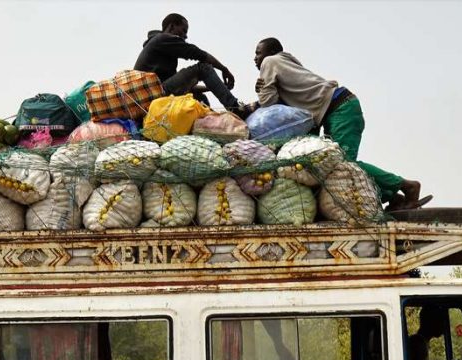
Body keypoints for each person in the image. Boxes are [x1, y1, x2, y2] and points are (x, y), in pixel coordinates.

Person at [252, 37, 432, 211]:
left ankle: (406, 186)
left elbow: (268, 102)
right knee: (333, 164)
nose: (255, 58)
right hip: (337, 109)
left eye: (258, 53)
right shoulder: (287, 66)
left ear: (273, 52)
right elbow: (282, 105)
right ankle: (392, 197)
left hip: (340, 109)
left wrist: (261, 89)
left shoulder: (270, 62)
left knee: (343, 164)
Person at [134, 13, 250, 116]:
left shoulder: (161, 47)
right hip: (154, 94)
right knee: (203, 68)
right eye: (183, 30)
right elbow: (199, 54)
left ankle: (209, 125)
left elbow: (180, 87)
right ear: (172, 26)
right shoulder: (163, 39)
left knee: (199, 98)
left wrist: (212, 87)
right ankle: (235, 107)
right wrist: (224, 70)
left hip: (154, 95)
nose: (185, 36)